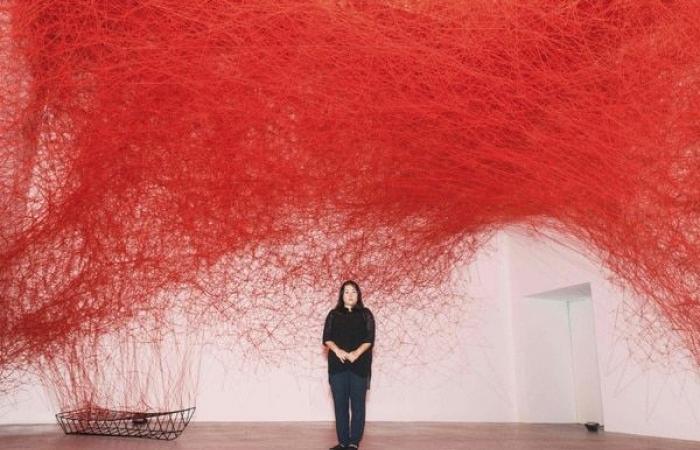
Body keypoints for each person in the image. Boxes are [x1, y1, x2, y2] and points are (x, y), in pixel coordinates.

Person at [323, 280, 375, 450]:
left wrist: (355, 354)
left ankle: (353, 443)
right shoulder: (333, 314)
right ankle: (343, 442)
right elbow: (327, 337)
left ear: (358, 295)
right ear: (342, 295)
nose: (350, 295)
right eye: (347, 292)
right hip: (338, 367)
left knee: (358, 406)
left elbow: (369, 338)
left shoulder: (366, 314)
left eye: (353, 292)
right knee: (340, 405)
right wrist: (338, 351)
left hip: (359, 366)